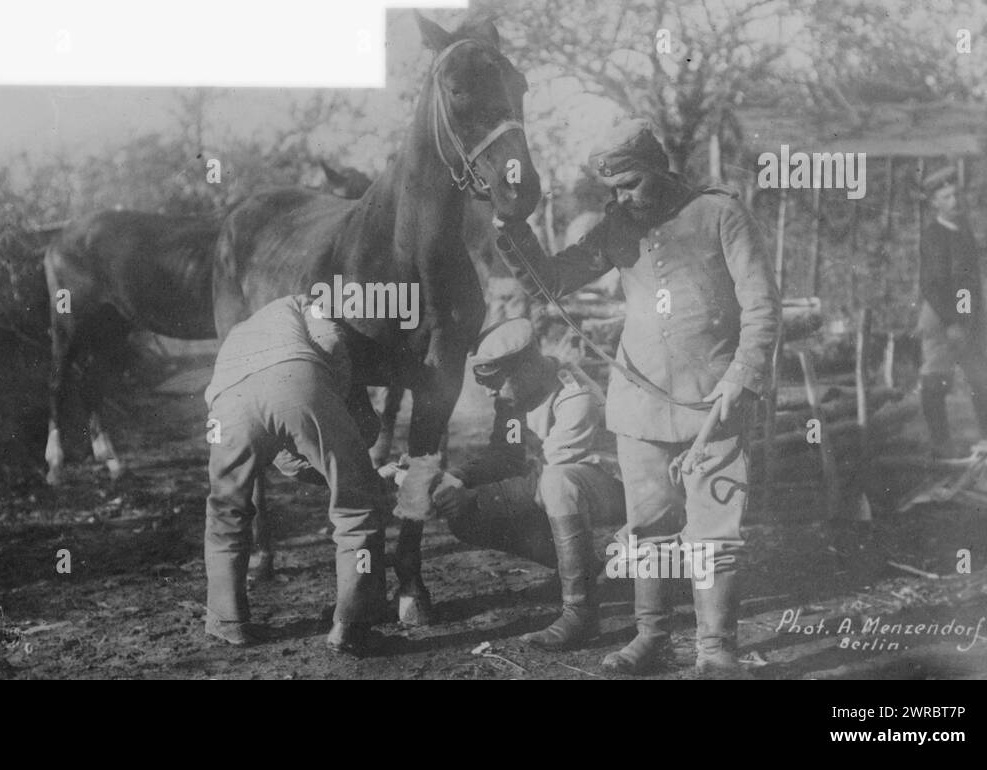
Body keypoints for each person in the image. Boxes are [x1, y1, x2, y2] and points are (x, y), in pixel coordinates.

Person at [493, 118, 781, 675]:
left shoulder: (720, 213)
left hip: (712, 403)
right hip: (640, 404)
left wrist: (740, 379)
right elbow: (549, 281)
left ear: (657, 168)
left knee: (712, 532)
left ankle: (716, 651)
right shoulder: (616, 227)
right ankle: (653, 639)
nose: (623, 198)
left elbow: (763, 306)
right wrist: (511, 225)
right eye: (614, 190)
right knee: (647, 526)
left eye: (631, 184)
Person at [203, 294, 390, 655]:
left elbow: (286, 460)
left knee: (225, 511)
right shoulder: (306, 302)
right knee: (357, 505)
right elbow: (332, 341)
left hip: (226, 405)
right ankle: (353, 622)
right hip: (297, 380)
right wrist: (337, 405)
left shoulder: (239, 331)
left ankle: (226, 619)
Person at [424, 318, 625, 650]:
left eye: (497, 382)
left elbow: (546, 484)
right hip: (561, 488)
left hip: (617, 488)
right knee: (467, 515)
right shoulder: (518, 396)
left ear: (526, 369)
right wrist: (456, 479)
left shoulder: (575, 398)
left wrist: (476, 496)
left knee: (557, 483)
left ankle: (581, 613)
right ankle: (581, 570)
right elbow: (506, 455)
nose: (490, 391)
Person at [916, 166, 987, 458]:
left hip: (966, 316)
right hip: (941, 317)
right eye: (946, 196)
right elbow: (932, 285)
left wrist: (971, 318)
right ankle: (940, 444)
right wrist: (952, 322)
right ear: (935, 203)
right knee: (937, 378)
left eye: (956, 194)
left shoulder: (963, 230)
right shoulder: (933, 235)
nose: (954, 200)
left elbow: (968, 280)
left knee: (982, 378)